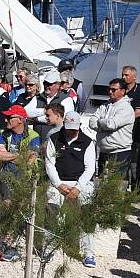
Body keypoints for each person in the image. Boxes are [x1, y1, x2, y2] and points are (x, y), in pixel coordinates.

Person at [46, 111, 98, 267]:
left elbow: (90, 168)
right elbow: (49, 163)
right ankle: (49, 247)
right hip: (59, 181)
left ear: (79, 126)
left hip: (81, 182)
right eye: (69, 128)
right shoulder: (54, 138)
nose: (72, 131)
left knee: (87, 211)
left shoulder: (87, 142)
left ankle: (88, 252)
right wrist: (58, 184)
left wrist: (78, 187)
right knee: (52, 208)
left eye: (75, 128)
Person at [0, 105, 39, 261]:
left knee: (20, 210)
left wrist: (9, 155)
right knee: (9, 205)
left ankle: (8, 244)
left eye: (10, 117)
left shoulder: (33, 136)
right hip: (6, 175)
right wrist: (19, 155)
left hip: (24, 178)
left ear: (21, 120)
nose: (6, 120)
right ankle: (7, 244)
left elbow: (29, 161)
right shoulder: (3, 133)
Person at [94, 78, 135, 180]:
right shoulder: (104, 106)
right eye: (109, 89)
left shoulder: (126, 108)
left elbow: (111, 124)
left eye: (114, 90)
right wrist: (103, 124)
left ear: (123, 91)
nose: (110, 92)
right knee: (102, 183)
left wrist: (100, 122)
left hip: (119, 152)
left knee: (116, 184)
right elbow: (92, 121)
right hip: (104, 151)